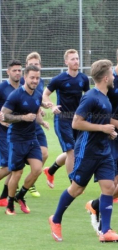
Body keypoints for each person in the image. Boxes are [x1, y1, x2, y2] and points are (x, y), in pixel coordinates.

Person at [48, 59, 118, 243]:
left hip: (103, 150)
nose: (114, 76)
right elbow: (76, 122)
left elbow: (100, 123)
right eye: (112, 74)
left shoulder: (105, 97)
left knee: (109, 187)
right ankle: (55, 219)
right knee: (77, 189)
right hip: (87, 150)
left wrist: (109, 132)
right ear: (106, 78)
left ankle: (105, 231)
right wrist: (103, 129)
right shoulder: (91, 96)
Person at [85, 43, 118, 231]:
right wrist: (116, 124)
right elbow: (97, 110)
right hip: (107, 136)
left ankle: (95, 205)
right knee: (111, 182)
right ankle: (104, 226)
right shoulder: (109, 80)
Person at [1, 65, 48, 215]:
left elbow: (35, 113)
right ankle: (9, 204)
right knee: (17, 173)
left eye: (37, 78)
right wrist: (22, 117)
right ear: (25, 78)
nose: (35, 81)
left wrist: (41, 121)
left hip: (31, 137)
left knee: (37, 170)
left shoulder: (38, 94)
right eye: (32, 77)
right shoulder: (15, 95)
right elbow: (4, 115)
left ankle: (20, 195)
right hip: (16, 139)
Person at [43, 49, 90, 186]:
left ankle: (50, 171)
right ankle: (73, 183)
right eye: (73, 59)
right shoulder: (59, 79)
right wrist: (52, 106)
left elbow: (88, 97)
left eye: (77, 58)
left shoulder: (83, 78)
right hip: (62, 119)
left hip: (78, 119)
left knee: (75, 150)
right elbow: (45, 95)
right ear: (66, 62)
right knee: (71, 151)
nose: (76, 61)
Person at [20, 52, 49, 198]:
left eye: (36, 64)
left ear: (40, 66)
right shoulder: (20, 82)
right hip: (22, 127)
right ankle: (11, 192)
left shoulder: (40, 81)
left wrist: (41, 109)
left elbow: (36, 100)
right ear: (26, 68)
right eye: (31, 64)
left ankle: (31, 180)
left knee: (44, 153)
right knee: (15, 166)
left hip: (36, 124)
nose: (34, 66)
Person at [0, 60, 23, 207]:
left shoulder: (22, 88)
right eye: (14, 70)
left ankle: (4, 197)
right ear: (8, 72)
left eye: (19, 70)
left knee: (16, 166)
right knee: (11, 165)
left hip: (17, 133)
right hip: (2, 131)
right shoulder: (2, 87)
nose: (17, 73)